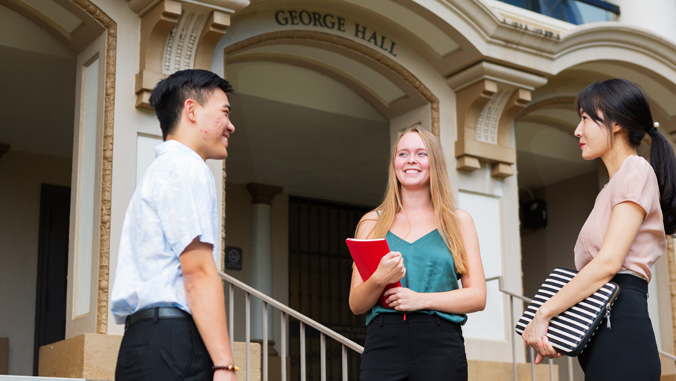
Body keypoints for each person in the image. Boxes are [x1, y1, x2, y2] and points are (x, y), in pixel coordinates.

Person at [522, 78, 676, 380]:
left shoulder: (635, 170)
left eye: (584, 118)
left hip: (621, 326)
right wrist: (557, 331)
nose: (578, 130)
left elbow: (608, 263)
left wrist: (544, 313)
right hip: (605, 327)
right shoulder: (612, 187)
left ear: (616, 122)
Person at [111, 69, 238, 381]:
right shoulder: (187, 169)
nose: (231, 126)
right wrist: (225, 366)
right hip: (174, 342)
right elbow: (197, 272)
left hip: (139, 344)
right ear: (191, 109)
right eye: (225, 112)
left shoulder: (158, 173)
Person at [349, 126, 486, 380]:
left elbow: (478, 296)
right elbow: (356, 304)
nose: (411, 160)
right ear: (394, 164)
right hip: (383, 344)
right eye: (403, 154)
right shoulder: (372, 223)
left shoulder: (457, 221)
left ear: (434, 163)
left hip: (441, 344)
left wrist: (420, 300)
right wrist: (379, 278)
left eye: (421, 153)